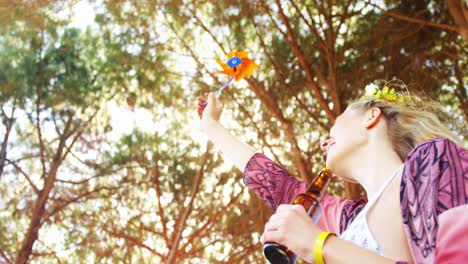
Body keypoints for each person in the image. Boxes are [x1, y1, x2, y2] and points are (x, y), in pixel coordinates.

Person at [196, 82, 468, 263]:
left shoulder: (432, 162)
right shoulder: (350, 219)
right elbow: (282, 188)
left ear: (371, 117)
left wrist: (319, 243)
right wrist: (211, 127)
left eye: (333, 128)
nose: (323, 143)